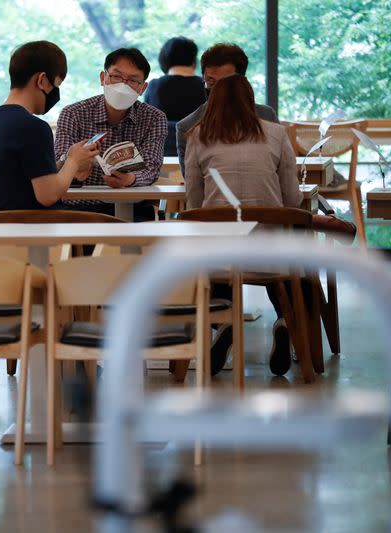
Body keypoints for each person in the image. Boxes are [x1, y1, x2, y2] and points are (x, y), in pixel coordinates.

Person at [184, 74, 300, 376]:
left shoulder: (197, 135)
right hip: (272, 256)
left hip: (219, 257)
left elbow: (194, 202)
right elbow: (291, 198)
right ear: (251, 102)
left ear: (211, 102)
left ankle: (224, 322)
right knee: (293, 245)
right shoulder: (276, 133)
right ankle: (284, 322)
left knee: (211, 246)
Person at [0, 41, 99, 214]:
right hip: (34, 228)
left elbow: (18, 179)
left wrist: (66, 164)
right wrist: (73, 161)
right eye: (56, 85)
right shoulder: (34, 127)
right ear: (42, 80)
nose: (56, 93)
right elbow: (48, 195)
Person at [54, 47, 167, 221]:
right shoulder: (73, 113)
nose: (123, 85)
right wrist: (72, 164)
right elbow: (57, 166)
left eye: (133, 80)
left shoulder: (154, 118)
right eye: (116, 76)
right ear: (103, 78)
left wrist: (129, 179)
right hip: (78, 209)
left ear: (143, 88)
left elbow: (152, 167)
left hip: (132, 208)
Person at [176, 43, 278, 174]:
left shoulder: (266, 116)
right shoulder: (188, 127)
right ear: (203, 78)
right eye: (211, 81)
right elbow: (192, 180)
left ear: (242, 81)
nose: (218, 89)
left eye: (225, 83)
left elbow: (280, 168)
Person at [143, 37, 206, 156]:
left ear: (164, 59)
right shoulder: (208, 87)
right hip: (201, 158)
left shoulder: (154, 87)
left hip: (160, 159)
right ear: (193, 60)